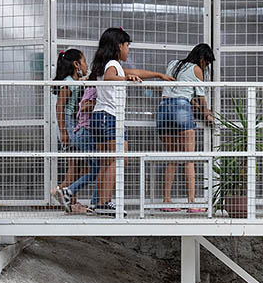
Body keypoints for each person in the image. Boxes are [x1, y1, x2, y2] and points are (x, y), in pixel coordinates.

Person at [88, 27, 172, 216]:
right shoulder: (112, 66)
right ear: (119, 46)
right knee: (120, 159)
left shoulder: (109, 64)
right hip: (110, 117)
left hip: (100, 116)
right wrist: (126, 78)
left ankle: (98, 203)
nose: (129, 50)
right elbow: (111, 77)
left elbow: (135, 71)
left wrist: (158, 75)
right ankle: (103, 203)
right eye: (128, 46)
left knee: (107, 162)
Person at [157, 43, 215, 212]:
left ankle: (166, 202)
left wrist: (195, 106)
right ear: (203, 59)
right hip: (181, 109)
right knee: (189, 158)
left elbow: (177, 93)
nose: (206, 67)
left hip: (163, 109)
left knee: (172, 158)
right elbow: (201, 98)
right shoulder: (197, 69)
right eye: (207, 63)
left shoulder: (173, 64)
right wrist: (207, 115)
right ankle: (191, 203)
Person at [49, 48, 99, 214]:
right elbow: (60, 107)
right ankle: (61, 191)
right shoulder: (69, 82)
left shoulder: (76, 81)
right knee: (74, 166)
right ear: (76, 64)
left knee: (80, 166)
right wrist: (64, 131)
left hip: (74, 126)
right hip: (70, 126)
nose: (86, 65)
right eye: (84, 61)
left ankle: (70, 200)